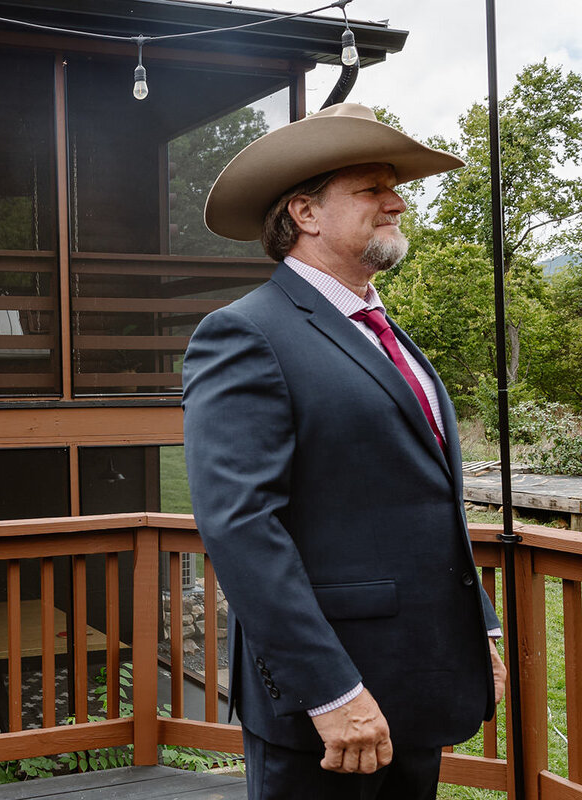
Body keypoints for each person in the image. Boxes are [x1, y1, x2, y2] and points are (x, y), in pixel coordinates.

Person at [181, 103, 508, 799]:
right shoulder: (245, 334)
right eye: (371, 189)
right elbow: (241, 527)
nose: (397, 202)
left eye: (395, 187)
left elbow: (420, 499)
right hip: (330, 706)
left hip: (416, 686)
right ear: (305, 212)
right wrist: (330, 691)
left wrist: (480, 625)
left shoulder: (379, 329)